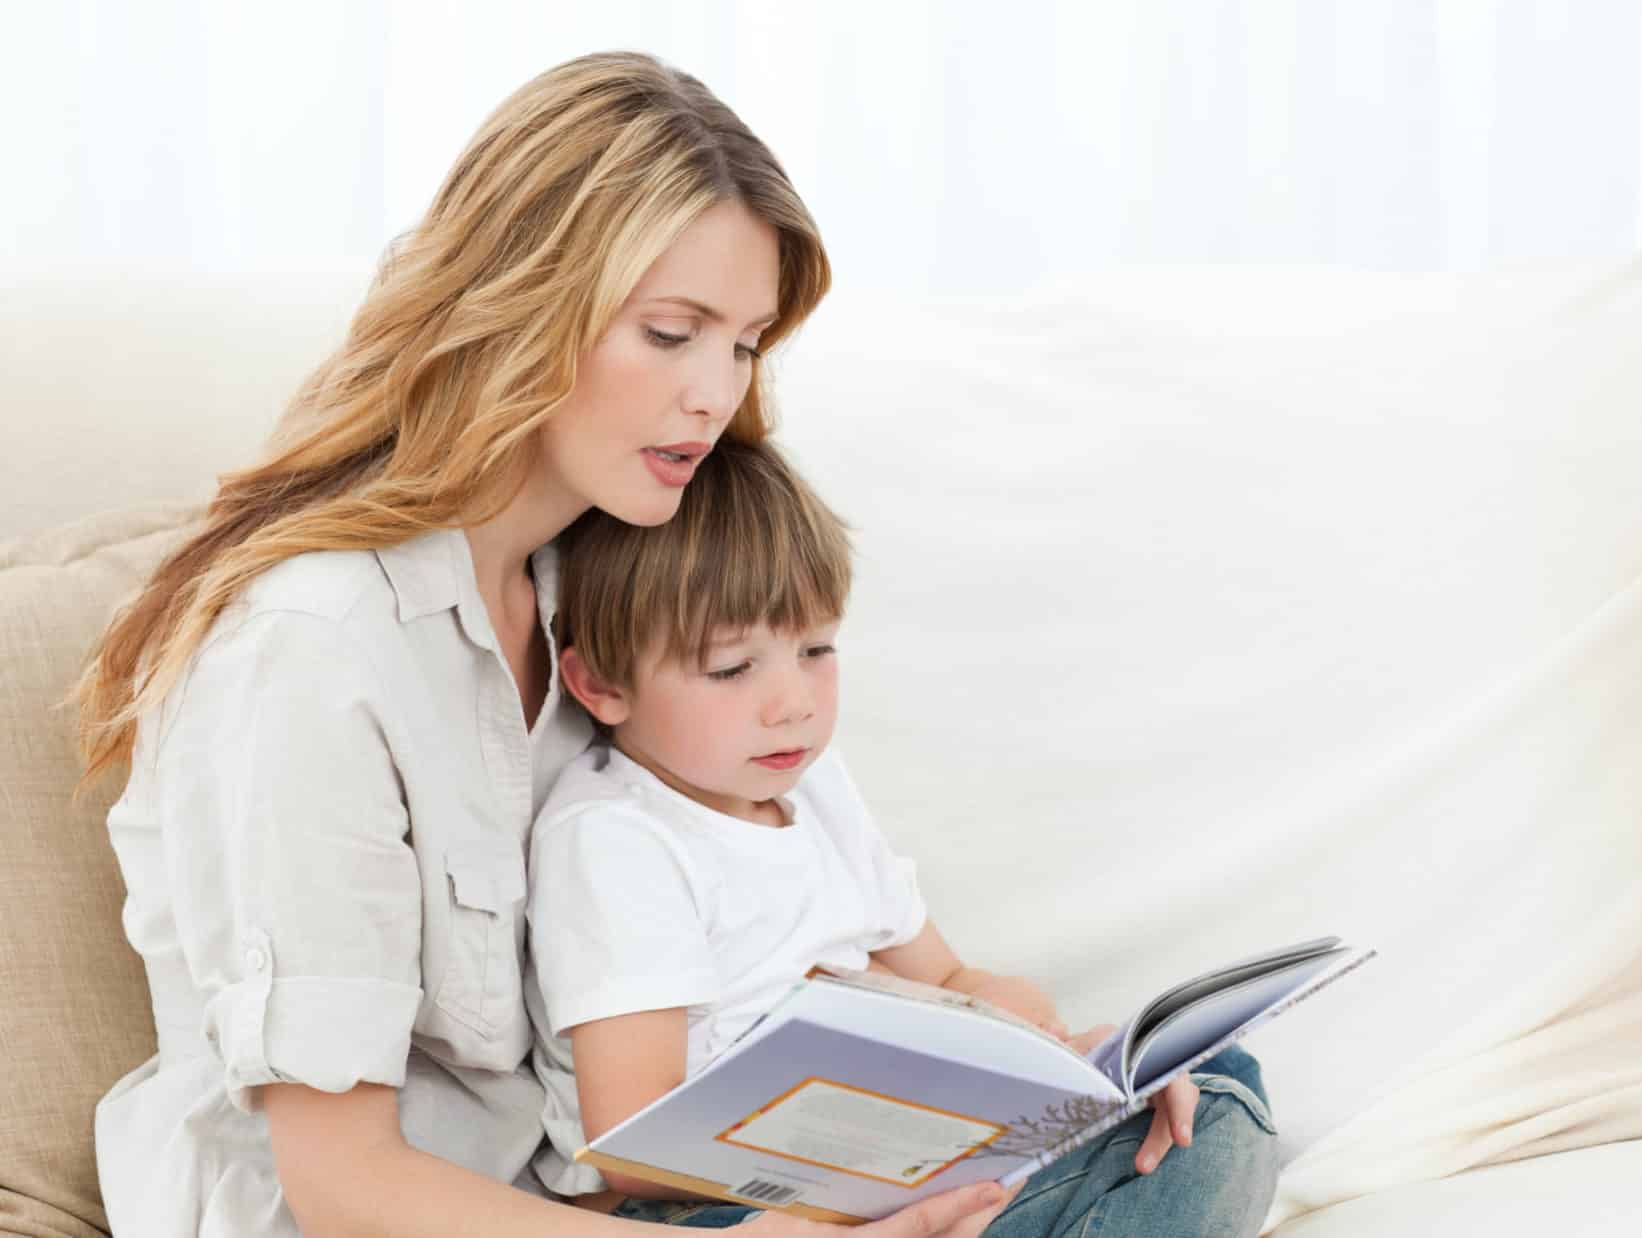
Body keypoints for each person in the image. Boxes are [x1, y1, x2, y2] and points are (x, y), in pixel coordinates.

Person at [75, 51, 1020, 1237]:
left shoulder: (609, 583)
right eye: (671, 332)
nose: (713, 394)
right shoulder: (312, 651)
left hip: (617, 1205)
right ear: (523, 302)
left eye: (742, 343)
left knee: (1185, 1115)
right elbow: (342, 1186)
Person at [528, 437, 1281, 1234]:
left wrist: (1068, 1064)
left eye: (815, 650)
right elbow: (634, 1146)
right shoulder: (617, 840)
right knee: (1217, 1127)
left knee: (1211, 1084)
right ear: (601, 684)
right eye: (730, 669)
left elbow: (953, 976)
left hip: (896, 1158)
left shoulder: (810, 786)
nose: (792, 703)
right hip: (721, 1206)